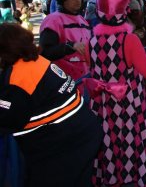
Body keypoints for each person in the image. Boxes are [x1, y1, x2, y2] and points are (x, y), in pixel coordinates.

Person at [88, 0, 146, 187]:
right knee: (135, 142)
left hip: (103, 105)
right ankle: (138, 177)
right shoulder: (129, 39)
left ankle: (112, 178)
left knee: (109, 144)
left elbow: (92, 70)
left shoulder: (91, 40)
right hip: (130, 103)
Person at [0, 23, 101, 187]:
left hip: (62, 146)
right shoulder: (36, 60)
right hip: (84, 131)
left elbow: (9, 119)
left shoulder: (17, 79)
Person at [39, 0, 91, 84]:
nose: (78, 0)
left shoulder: (83, 20)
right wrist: (70, 46)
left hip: (85, 81)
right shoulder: (53, 21)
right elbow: (45, 52)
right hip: (61, 84)